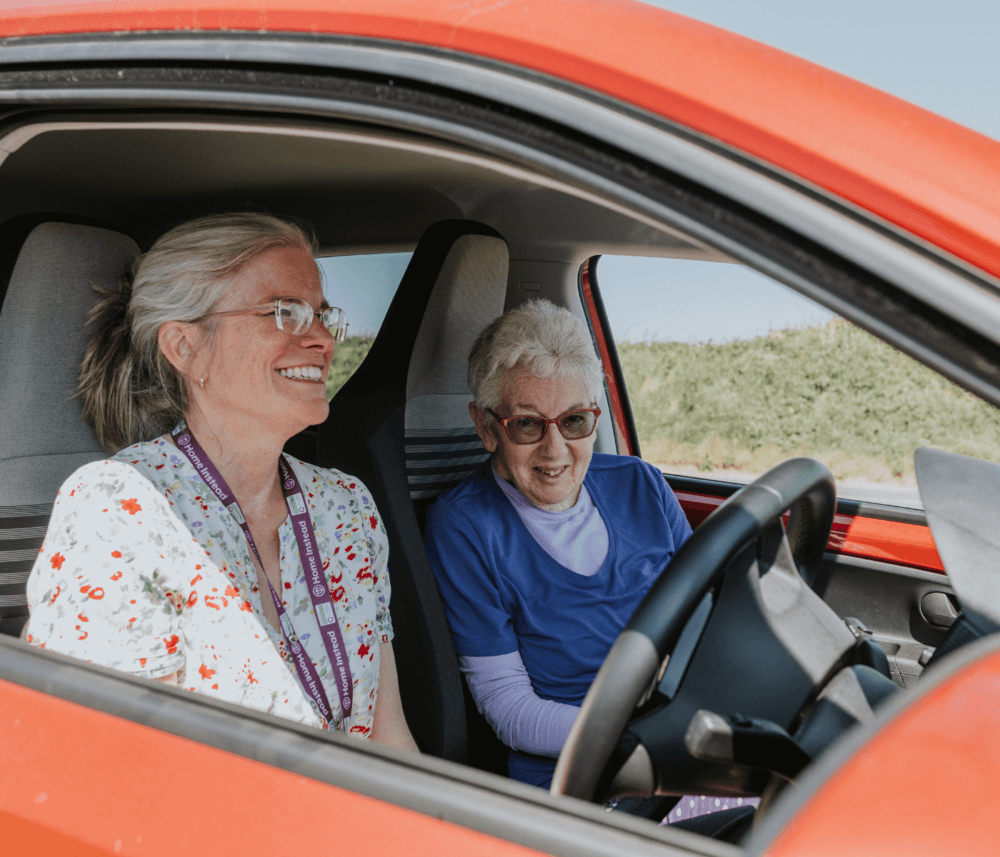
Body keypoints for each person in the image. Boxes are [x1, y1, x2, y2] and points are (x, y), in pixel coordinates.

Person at [25, 213, 418, 752]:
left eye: (324, 315)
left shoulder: (346, 506)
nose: (324, 340)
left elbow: (388, 734)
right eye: (287, 313)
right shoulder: (120, 509)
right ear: (185, 347)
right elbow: (109, 766)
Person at [424, 298, 692, 788]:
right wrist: (639, 738)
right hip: (584, 768)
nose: (555, 450)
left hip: (686, 729)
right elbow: (509, 707)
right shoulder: (464, 526)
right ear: (486, 427)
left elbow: (711, 610)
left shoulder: (642, 485)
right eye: (527, 423)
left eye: (574, 422)